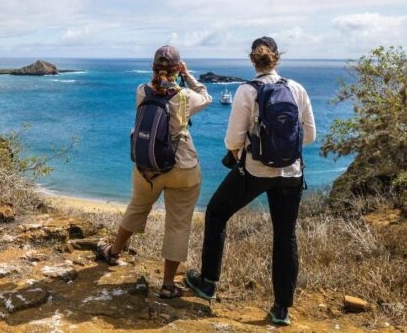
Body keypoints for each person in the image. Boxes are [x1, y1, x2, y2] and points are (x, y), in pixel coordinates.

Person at [185, 37, 316, 325]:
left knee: (218, 212)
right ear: (277, 58)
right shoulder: (297, 89)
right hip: (291, 174)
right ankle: (281, 309)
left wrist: (244, 153)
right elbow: (309, 136)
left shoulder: (247, 91)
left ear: (252, 60)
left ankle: (208, 282)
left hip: (255, 171)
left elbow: (233, 140)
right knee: (285, 236)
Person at [97, 45, 212, 299]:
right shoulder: (184, 97)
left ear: (153, 68)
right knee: (178, 224)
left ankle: (114, 252)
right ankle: (168, 285)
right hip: (183, 168)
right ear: (177, 68)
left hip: (147, 167)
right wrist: (189, 75)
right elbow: (206, 96)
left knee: (137, 207)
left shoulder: (141, 91)